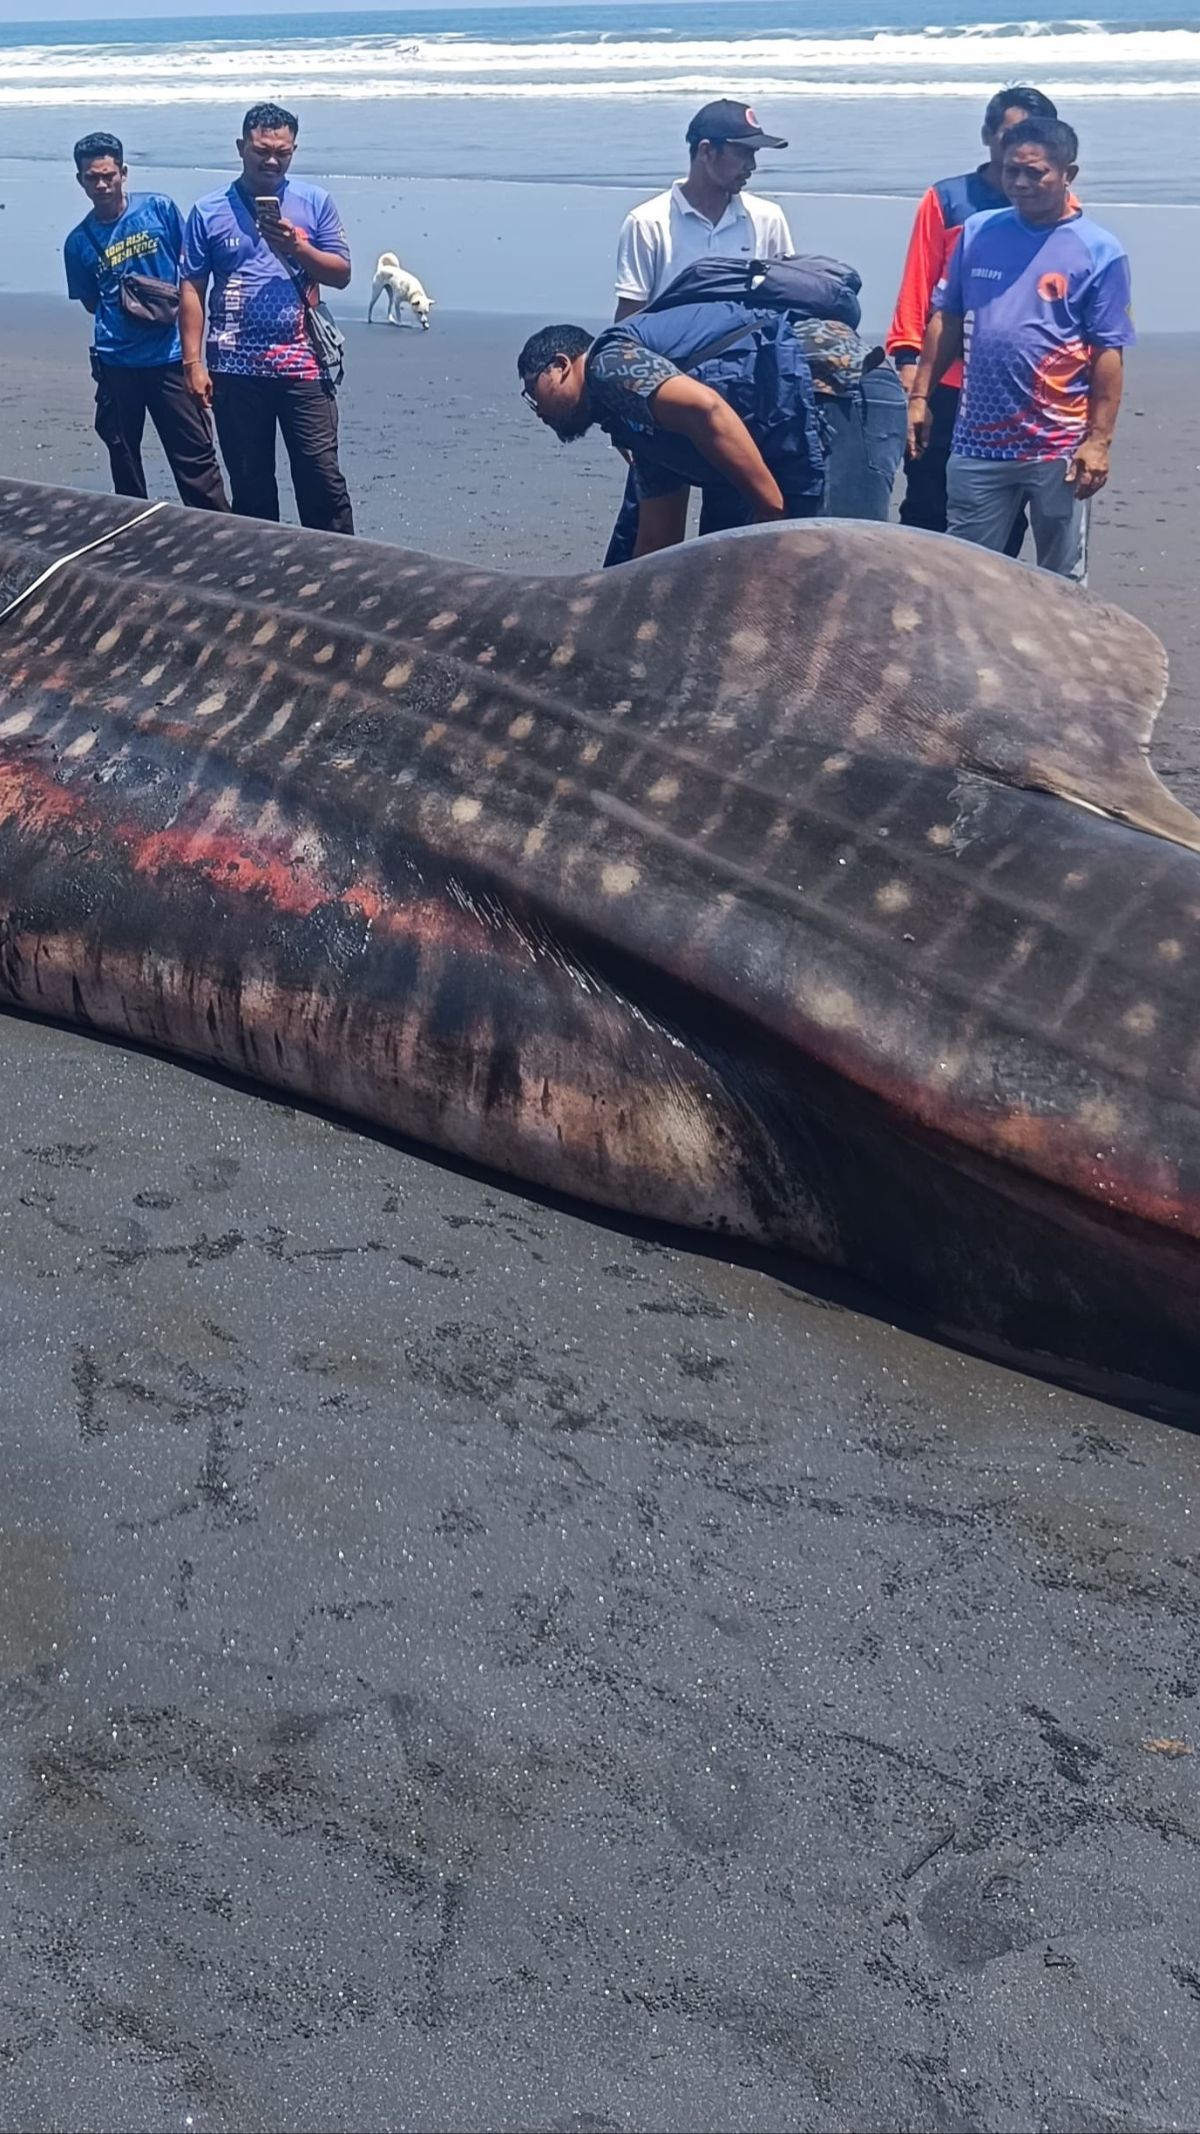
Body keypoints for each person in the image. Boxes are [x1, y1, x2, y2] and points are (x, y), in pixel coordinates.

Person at [907, 118, 1133, 584]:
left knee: (1062, 580)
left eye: (1036, 172)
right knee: (966, 574)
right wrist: (920, 398)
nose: (1021, 183)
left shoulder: (1100, 251)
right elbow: (946, 317)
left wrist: (1098, 441)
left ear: (1068, 174)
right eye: (1012, 171)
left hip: (1060, 446)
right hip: (979, 443)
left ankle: (1064, 658)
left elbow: (1108, 351)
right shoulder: (977, 232)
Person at [605, 99, 795, 566]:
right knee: (643, 538)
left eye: (757, 155)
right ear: (706, 151)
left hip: (740, 403)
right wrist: (620, 410)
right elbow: (628, 319)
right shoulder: (649, 223)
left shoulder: (765, 219)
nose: (752, 166)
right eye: (743, 153)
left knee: (728, 540)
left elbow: (783, 310)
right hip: (665, 401)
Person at [887, 84, 1060, 550]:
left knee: (1008, 516)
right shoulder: (950, 200)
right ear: (987, 136)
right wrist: (909, 368)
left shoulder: (1057, 210)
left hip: (1020, 389)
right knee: (927, 503)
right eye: (1009, 137)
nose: (1019, 154)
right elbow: (918, 286)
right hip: (946, 384)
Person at [518, 305, 825, 558]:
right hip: (793, 423)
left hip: (822, 383)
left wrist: (770, 513)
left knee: (824, 565)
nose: (539, 412)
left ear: (560, 366)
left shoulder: (606, 367)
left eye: (533, 392)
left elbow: (707, 411)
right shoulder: (631, 426)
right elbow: (657, 540)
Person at [179, 102, 354, 533]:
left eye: (283, 151)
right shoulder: (208, 211)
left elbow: (342, 275)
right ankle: (261, 573)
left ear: (294, 149)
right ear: (241, 148)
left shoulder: (314, 202)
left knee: (321, 478)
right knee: (251, 484)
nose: (272, 160)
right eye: (262, 150)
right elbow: (192, 289)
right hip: (235, 371)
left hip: (304, 366)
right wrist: (192, 363)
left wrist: (298, 247)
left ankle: (340, 566)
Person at [63, 133, 228, 513]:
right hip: (116, 362)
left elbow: (190, 273)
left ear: (123, 172)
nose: (102, 185)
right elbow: (91, 302)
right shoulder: (78, 243)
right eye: (92, 178)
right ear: (80, 180)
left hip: (169, 357)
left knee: (196, 457)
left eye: (109, 175)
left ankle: (219, 531)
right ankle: (132, 535)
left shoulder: (159, 209)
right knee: (124, 458)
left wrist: (193, 357)